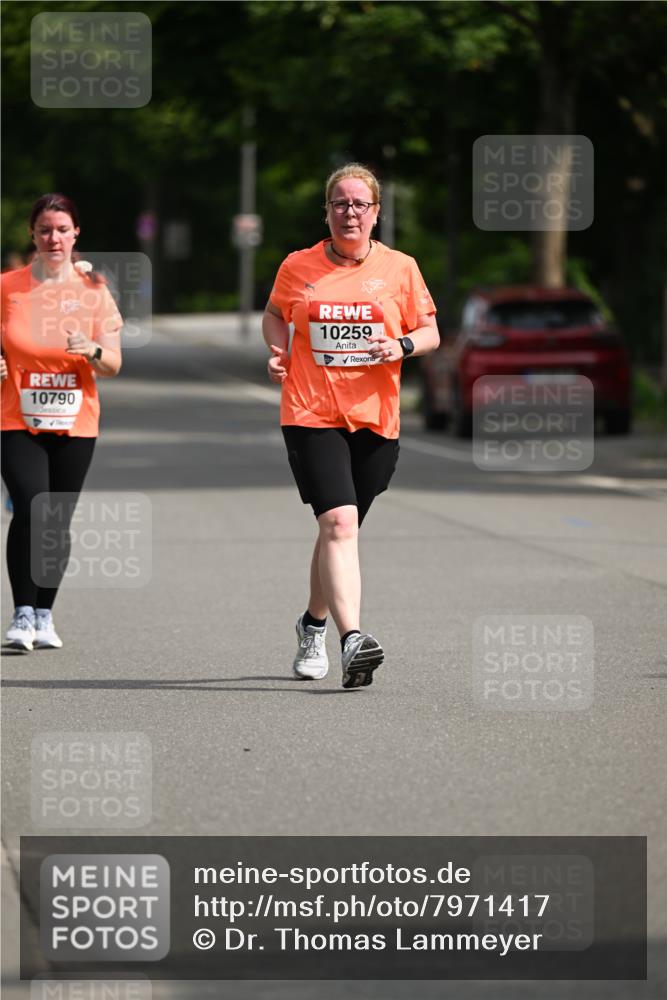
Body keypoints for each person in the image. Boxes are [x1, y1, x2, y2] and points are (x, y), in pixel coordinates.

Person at [263, 163, 439, 688]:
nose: (350, 212)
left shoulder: (401, 269)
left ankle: (311, 624)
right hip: (310, 411)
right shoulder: (298, 266)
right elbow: (275, 313)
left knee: (340, 527)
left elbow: (430, 330)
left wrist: (402, 345)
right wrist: (278, 348)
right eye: (340, 203)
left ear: (377, 213)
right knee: (338, 523)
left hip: (375, 419)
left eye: (360, 204)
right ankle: (353, 640)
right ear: (327, 211)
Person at [1, 193, 122, 650]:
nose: (54, 237)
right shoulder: (7, 286)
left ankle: (45, 613)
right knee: (31, 506)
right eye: (45, 229)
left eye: (62, 229)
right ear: (32, 234)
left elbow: (113, 362)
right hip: (15, 416)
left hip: (76, 421)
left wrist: (90, 350)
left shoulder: (94, 291)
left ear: (76, 235)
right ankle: (22, 613)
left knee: (55, 519)